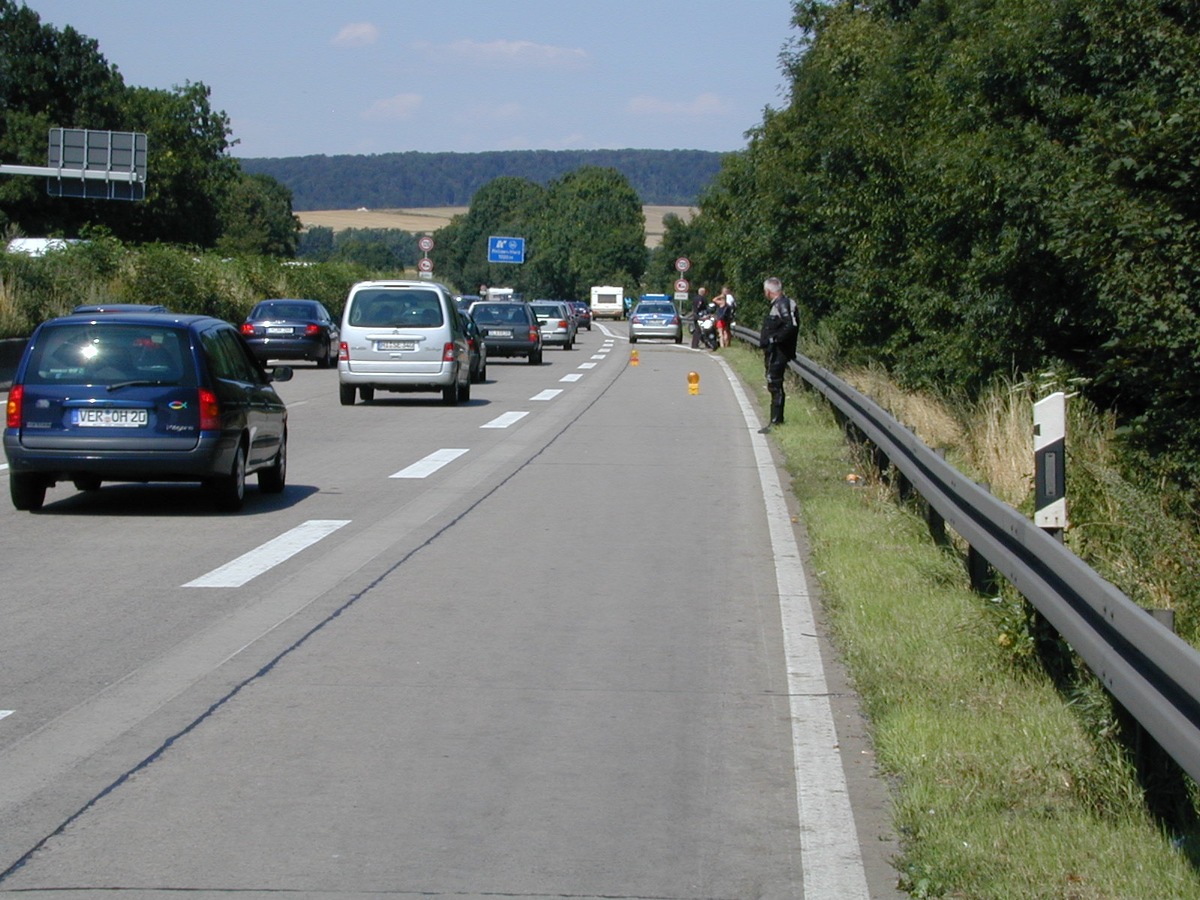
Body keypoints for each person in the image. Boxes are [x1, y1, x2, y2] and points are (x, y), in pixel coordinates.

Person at [758, 276, 799, 433]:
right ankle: (775, 419)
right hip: (775, 350)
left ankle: (776, 421)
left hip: (779, 351)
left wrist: (774, 340)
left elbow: (790, 325)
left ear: (768, 291)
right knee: (773, 383)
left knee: (775, 383)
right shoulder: (781, 304)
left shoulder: (783, 304)